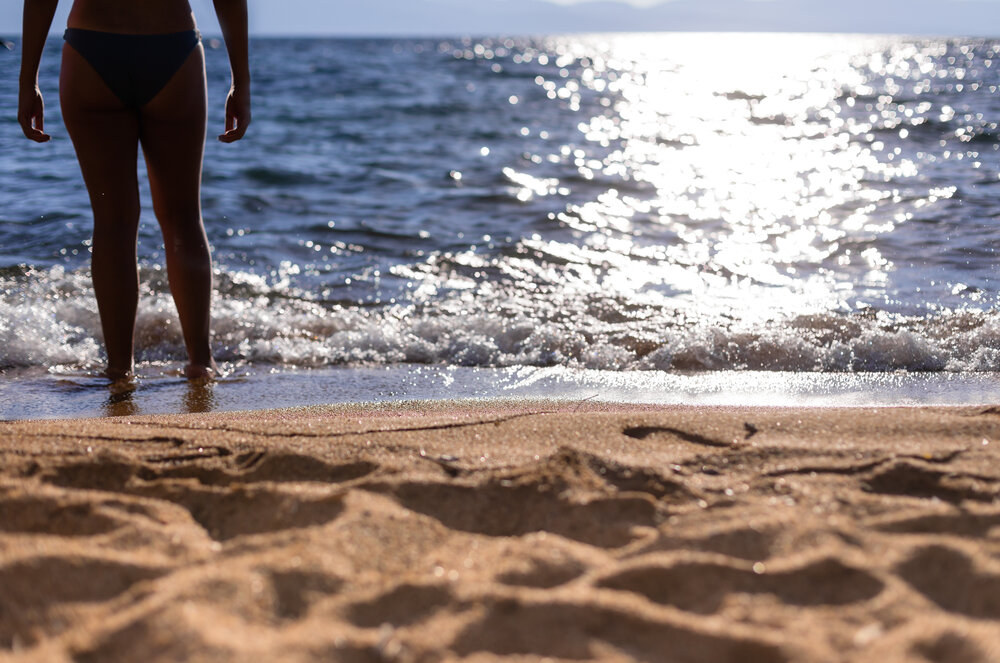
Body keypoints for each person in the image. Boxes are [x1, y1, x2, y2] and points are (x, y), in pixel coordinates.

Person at [18, 0, 250, 380]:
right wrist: (242, 82)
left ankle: (119, 367)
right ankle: (200, 362)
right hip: (171, 45)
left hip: (91, 48)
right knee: (182, 217)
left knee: (113, 221)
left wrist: (28, 80)